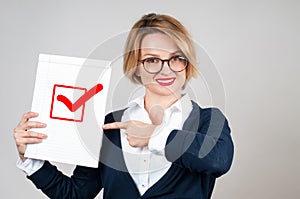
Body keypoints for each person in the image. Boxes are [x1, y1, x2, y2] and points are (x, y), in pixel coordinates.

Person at [14, 13, 234, 199]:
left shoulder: (208, 120)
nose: (166, 70)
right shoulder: (110, 125)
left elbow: (218, 161)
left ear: (187, 64)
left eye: (176, 58)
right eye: (152, 60)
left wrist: (153, 135)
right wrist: (31, 157)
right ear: (136, 67)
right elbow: (75, 193)